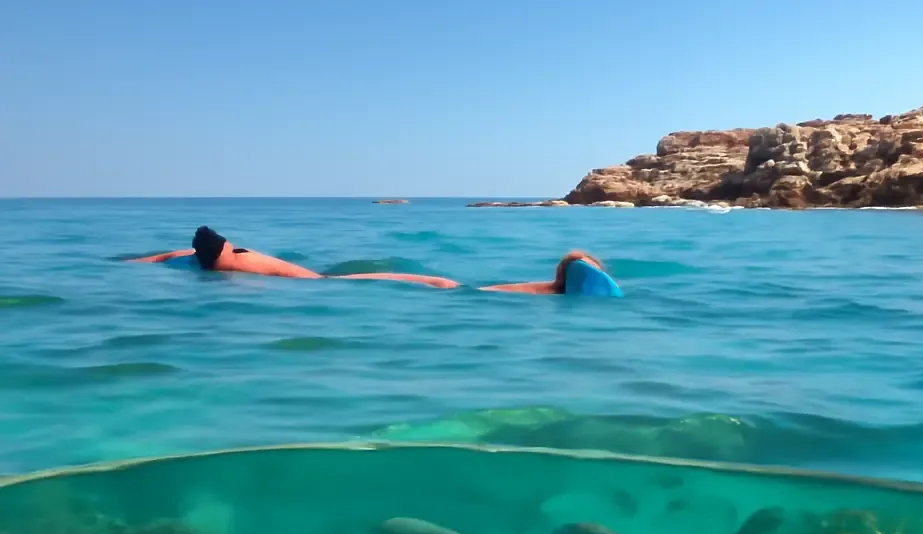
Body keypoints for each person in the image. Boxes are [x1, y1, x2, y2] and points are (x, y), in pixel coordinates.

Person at [127, 227, 611, 293]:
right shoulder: (212, 257)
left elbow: (201, 244)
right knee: (444, 287)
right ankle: (552, 288)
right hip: (322, 288)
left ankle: (553, 288)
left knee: (444, 287)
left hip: (323, 286)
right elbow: (203, 245)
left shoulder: (209, 256)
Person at [127, 226, 460, 287]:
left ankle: (433, 282)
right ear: (224, 248)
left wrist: (137, 263)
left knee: (336, 281)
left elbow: (174, 254)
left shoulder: (208, 260)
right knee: (337, 281)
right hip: (311, 281)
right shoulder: (235, 259)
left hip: (307, 280)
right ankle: (434, 282)